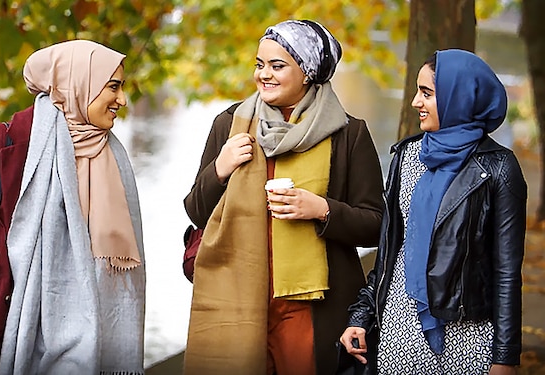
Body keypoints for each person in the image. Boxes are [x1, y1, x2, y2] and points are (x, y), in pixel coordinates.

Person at [0, 40, 146, 374]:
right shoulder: (3, 141)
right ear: (79, 84)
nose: (122, 100)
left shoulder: (111, 158)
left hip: (97, 329)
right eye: (113, 87)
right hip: (10, 319)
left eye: (121, 88)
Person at [183, 20, 384, 375]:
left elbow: (376, 224)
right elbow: (197, 211)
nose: (264, 75)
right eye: (260, 64)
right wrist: (221, 168)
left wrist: (322, 210)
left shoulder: (348, 134)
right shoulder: (229, 124)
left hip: (311, 306)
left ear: (307, 72)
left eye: (277, 66)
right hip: (238, 299)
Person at [340, 49, 527, 375]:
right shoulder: (407, 155)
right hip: (398, 328)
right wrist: (361, 316)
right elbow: (390, 252)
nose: (415, 102)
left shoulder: (498, 168)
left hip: (468, 335)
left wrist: (505, 357)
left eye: (426, 93)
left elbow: (507, 273)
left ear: (460, 98)